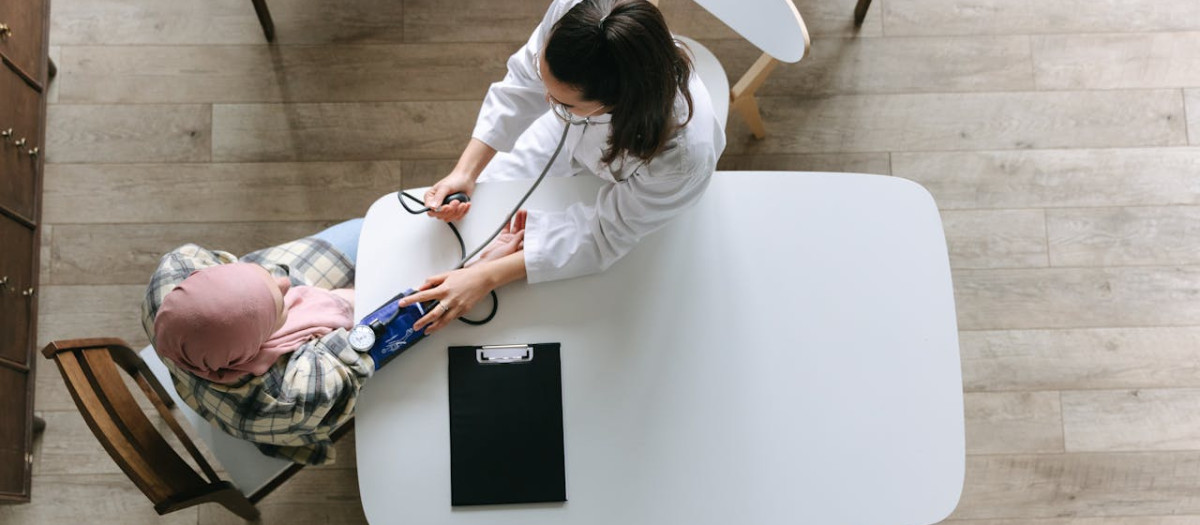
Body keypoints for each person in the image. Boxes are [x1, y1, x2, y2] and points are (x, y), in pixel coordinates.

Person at [398, 0, 725, 334]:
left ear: (615, 102)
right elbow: (523, 83)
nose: (546, 102)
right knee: (479, 221)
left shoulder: (681, 157)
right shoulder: (580, 12)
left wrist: (485, 278)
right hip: (565, 135)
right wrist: (465, 172)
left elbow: (605, 234)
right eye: (548, 86)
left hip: (635, 193)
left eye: (564, 102)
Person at [140, 218, 527, 464]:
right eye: (281, 306)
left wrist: (258, 296)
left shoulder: (174, 272)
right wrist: (477, 271)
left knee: (377, 228)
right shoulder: (288, 397)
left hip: (234, 334)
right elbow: (372, 341)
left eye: (262, 276)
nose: (286, 282)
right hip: (298, 401)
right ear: (254, 349)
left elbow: (271, 279)